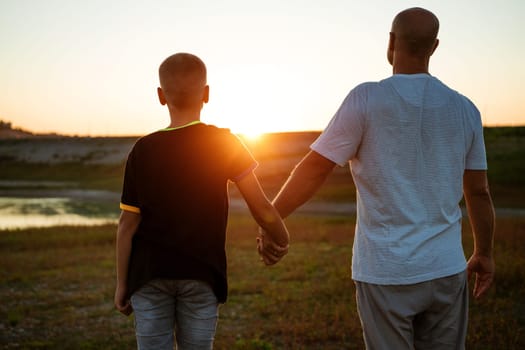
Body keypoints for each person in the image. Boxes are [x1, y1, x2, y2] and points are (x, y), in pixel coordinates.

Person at [261, 7, 495, 349]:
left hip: (386, 272)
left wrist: (271, 219)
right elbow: (478, 192)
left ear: (391, 42)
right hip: (446, 269)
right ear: (434, 47)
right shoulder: (465, 109)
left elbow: (314, 168)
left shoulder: (366, 99)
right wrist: (484, 252)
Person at [114, 52, 289, 350]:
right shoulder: (224, 143)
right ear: (206, 94)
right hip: (202, 276)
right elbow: (262, 208)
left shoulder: (142, 150)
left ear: (160, 96)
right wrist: (281, 239)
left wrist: (122, 283)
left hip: (148, 277)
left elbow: (127, 226)